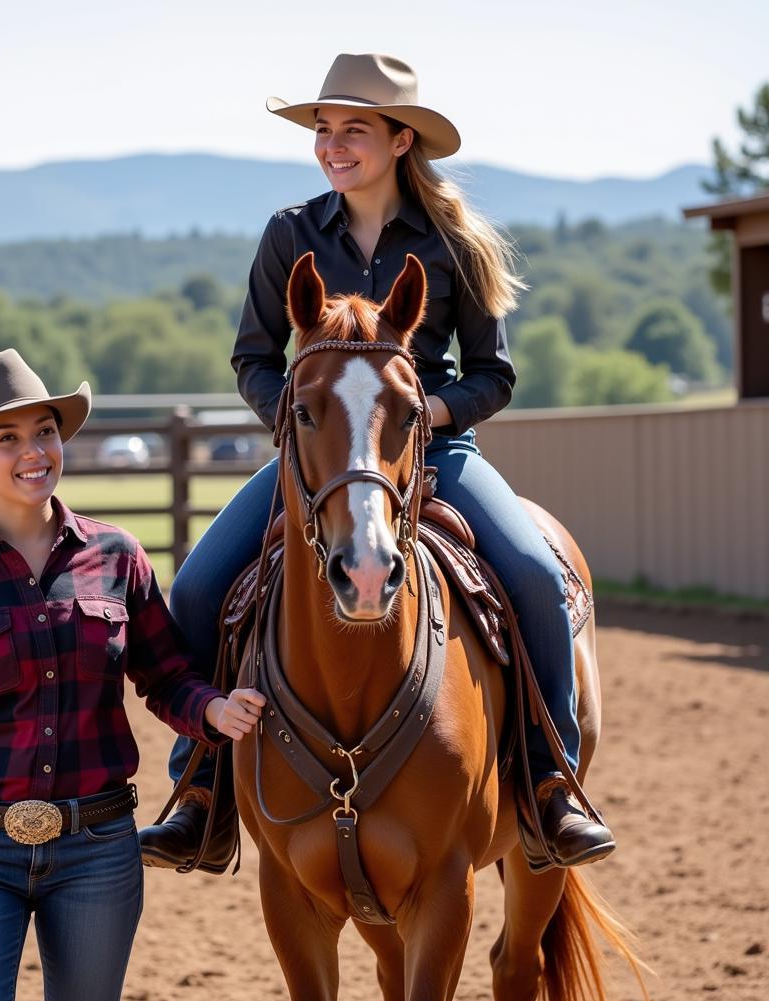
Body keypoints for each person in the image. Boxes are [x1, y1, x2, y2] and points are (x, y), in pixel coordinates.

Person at [139, 52, 615, 872]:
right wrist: (304, 429)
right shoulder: (289, 234)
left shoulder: (451, 243)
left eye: (353, 130)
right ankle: (202, 790)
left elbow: (493, 374)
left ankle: (550, 786)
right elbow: (254, 358)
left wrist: (429, 412)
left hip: (434, 449)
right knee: (195, 587)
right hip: (319, 456)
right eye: (324, 131)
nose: (333, 145)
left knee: (536, 575)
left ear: (401, 140)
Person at [0, 348, 265, 1001]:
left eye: (44, 432)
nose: (34, 451)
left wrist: (212, 708)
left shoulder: (117, 556)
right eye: (7, 439)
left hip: (97, 852)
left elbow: (166, 676)